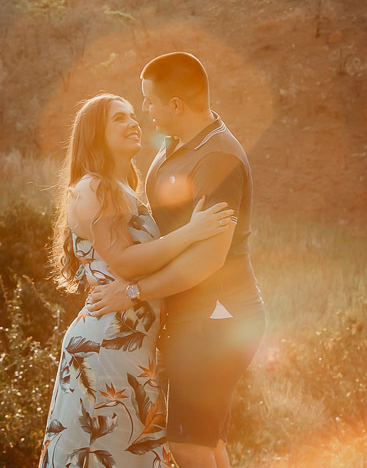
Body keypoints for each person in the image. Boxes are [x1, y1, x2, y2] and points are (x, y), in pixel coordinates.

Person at [39, 92, 235, 468]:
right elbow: (126, 263)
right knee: (108, 455)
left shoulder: (123, 190)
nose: (133, 123)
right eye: (119, 118)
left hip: (131, 347)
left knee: (129, 454)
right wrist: (193, 232)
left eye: (133, 115)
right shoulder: (94, 187)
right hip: (105, 346)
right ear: (95, 133)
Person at [88, 53, 265, 468]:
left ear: (176, 106)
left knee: (188, 445)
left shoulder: (217, 159)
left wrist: (131, 292)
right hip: (193, 316)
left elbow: (204, 262)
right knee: (206, 441)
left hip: (219, 319)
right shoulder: (173, 146)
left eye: (149, 101)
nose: (144, 109)